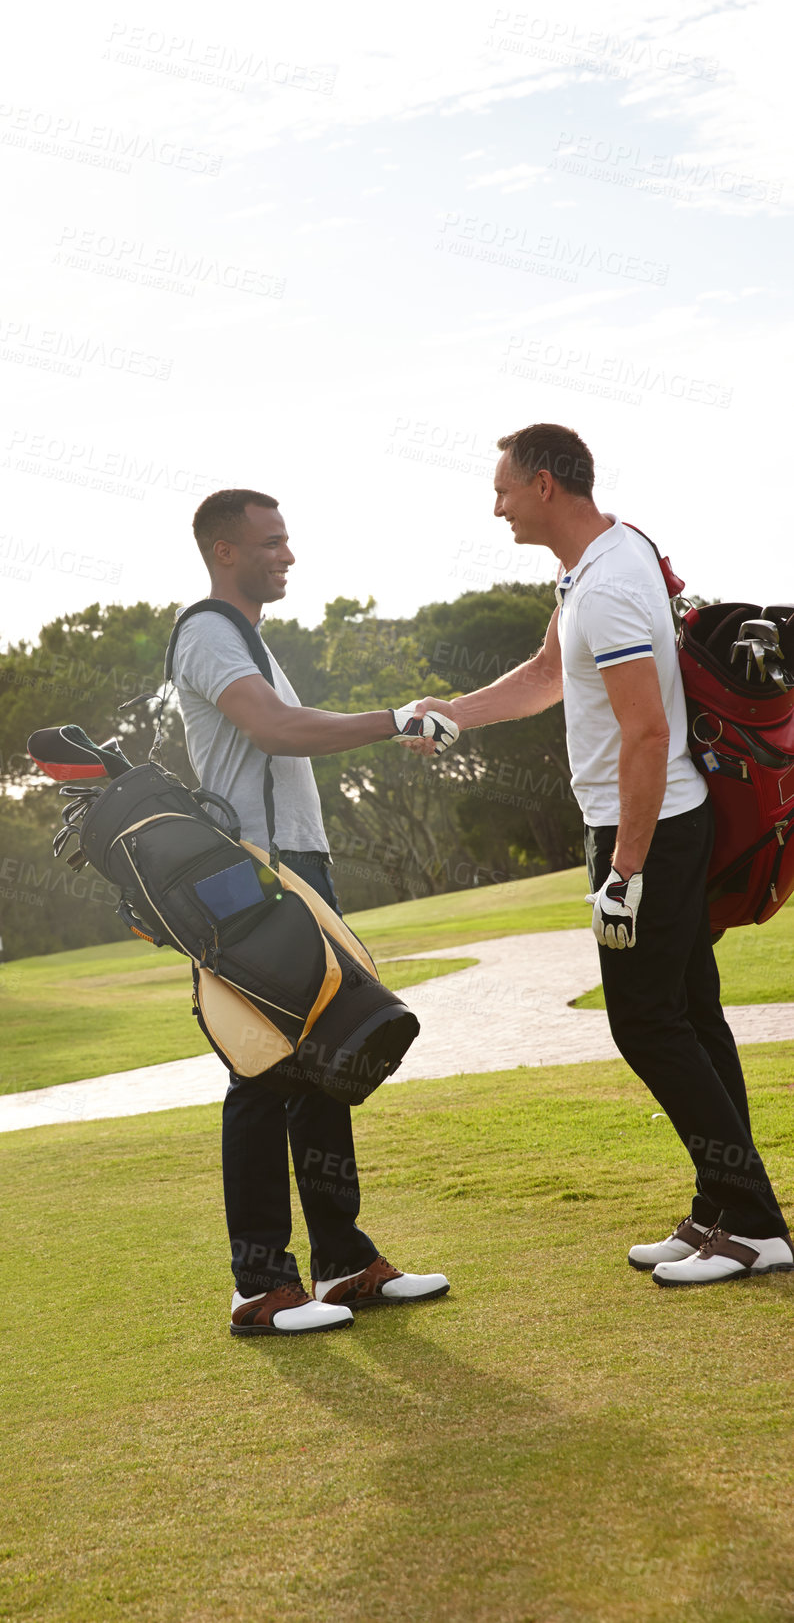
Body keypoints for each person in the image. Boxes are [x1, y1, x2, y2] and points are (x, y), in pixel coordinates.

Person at [410, 422, 792, 1288]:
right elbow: (548, 673)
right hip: (646, 826)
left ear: (547, 485)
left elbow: (649, 734)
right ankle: (726, 1210)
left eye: (504, 487)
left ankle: (757, 1225)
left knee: (647, 1023)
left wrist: (624, 869)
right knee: (690, 1014)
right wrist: (456, 711)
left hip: (648, 829)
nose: (496, 504)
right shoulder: (590, 567)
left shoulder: (613, 583)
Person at [173, 488, 453, 1335]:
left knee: (324, 1062)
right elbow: (274, 728)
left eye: (287, 542)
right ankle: (259, 1285)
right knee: (261, 1070)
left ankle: (341, 1265)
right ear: (225, 551)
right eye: (271, 543)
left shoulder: (250, 638)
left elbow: (284, 722)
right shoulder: (207, 632)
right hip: (250, 881)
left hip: (297, 873)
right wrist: (391, 718)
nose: (287, 556)